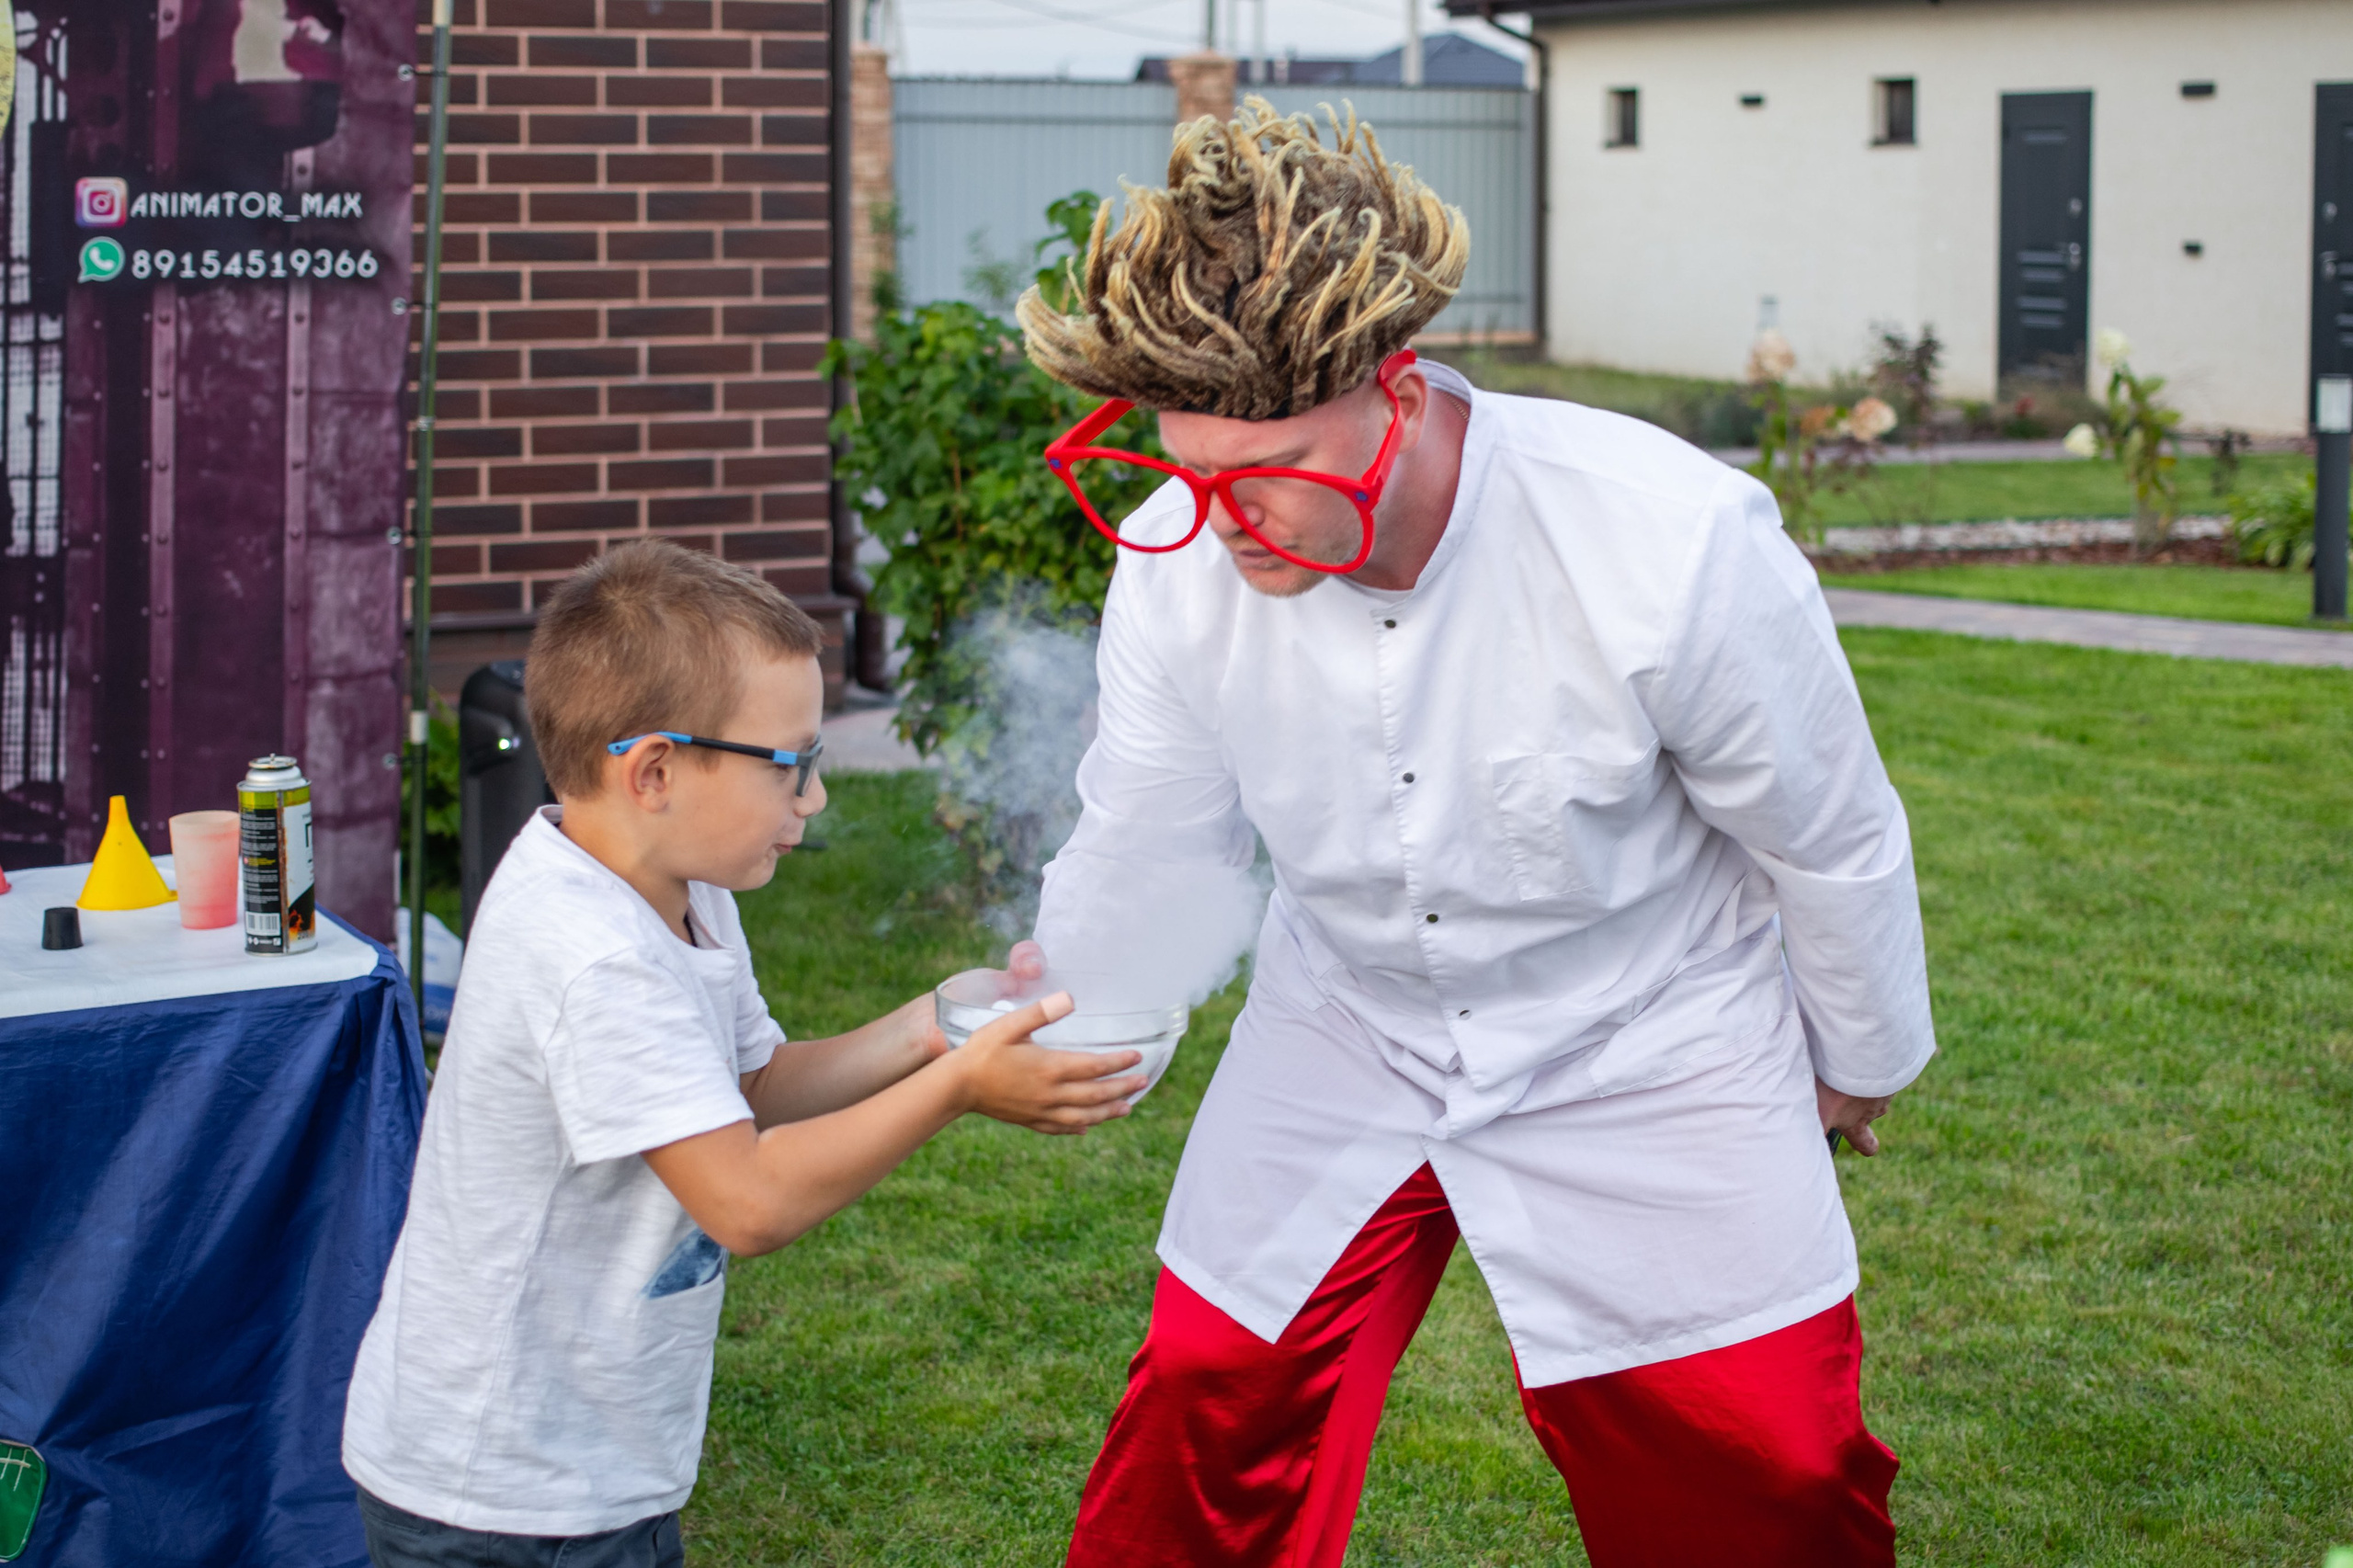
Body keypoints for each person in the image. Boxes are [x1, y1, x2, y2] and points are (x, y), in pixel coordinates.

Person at [1009, 101, 1937, 1567]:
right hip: (1348, 1018)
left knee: (1769, 1457)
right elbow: (1151, 831)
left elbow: (1827, 834)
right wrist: (1087, 1004)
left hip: (1646, 1029)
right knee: (1207, 1384)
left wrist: (1857, 1058)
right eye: (1188, 472)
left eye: (1269, 470)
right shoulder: (1181, 565)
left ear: (1401, 389)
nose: (1224, 523)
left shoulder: (1668, 536)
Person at [341, 540, 1143, 1568]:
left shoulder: (679, 886)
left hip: (588, 1461)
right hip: (498, 1488)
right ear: (656, 772)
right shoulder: (593, 955)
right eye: (790, 764)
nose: (814, 797)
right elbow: (747, 1200)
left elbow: (755, 1086)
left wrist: (934, 1023)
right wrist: (959, 1086)